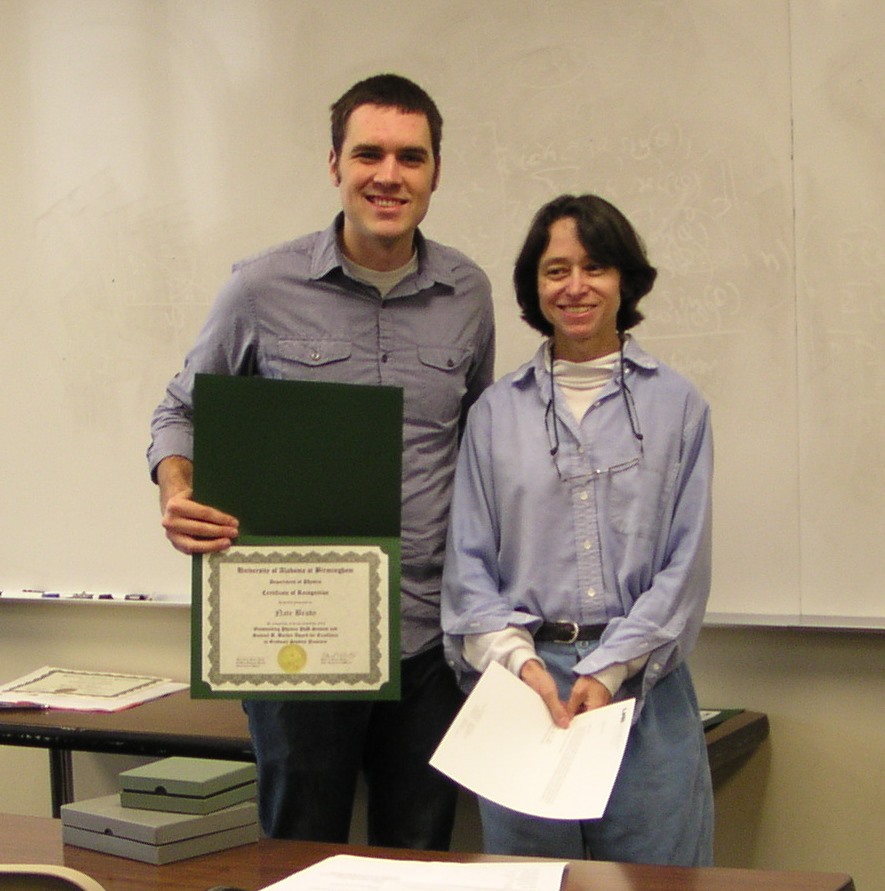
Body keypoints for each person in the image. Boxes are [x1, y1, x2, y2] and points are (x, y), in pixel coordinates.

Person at [147, 73, 495, 849]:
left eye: (411, 157)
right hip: (292, 636)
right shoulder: (260, 286)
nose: (388, 175)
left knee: (419, 854)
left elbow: (479, 445)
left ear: (436, 171)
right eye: (368, 152)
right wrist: (177, 489)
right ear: (333, 163)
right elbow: (180, 411)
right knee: (301, 853)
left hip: (430, 640)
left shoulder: (467, 293)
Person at [441, 193, 713, 866]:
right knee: (535, 883)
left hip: (640, 692)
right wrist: (524, 665)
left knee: (655, 883)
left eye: (594, 267)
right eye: (554, 269)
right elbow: (467, 570)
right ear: (534, 287)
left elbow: (685, 567)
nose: (575, 286)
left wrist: (609, 664)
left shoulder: (678, 406)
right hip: (524, 695)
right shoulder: (494, 414)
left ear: (624, 278)